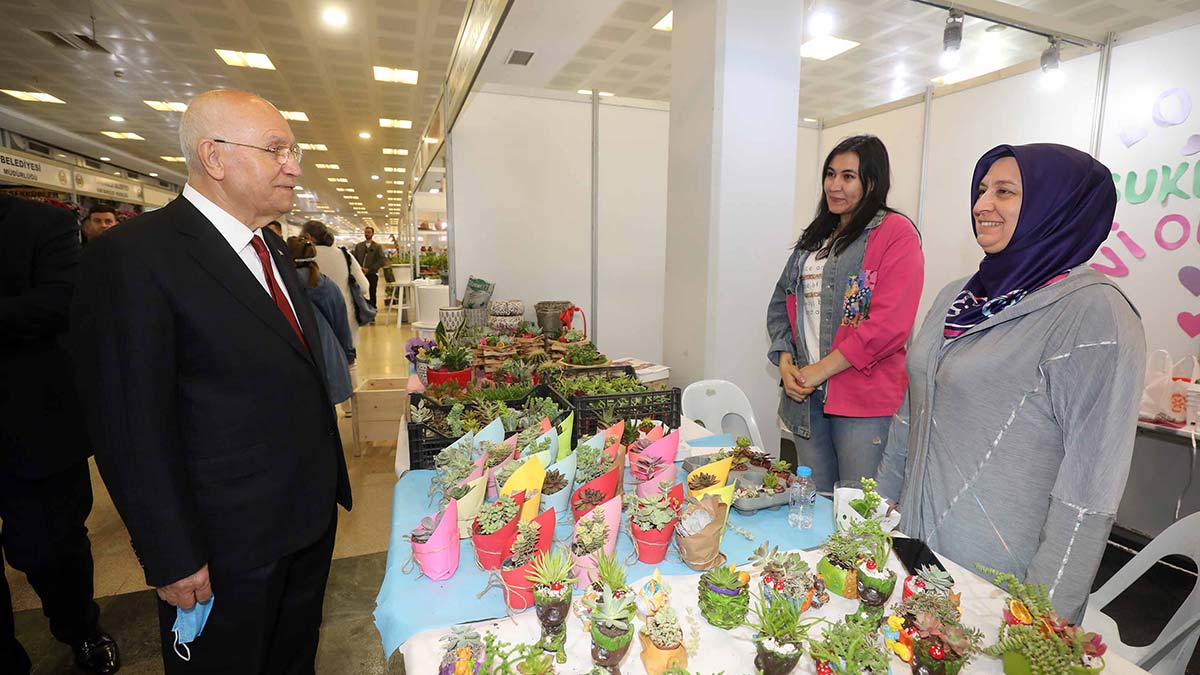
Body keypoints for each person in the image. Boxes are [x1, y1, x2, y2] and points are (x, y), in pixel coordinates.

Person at [71, 89, 352, 673]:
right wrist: (171, 553)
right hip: (224, 544)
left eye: (293, 151)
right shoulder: (135, 257)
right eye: (277, 149)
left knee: (292, 657)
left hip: (304, 518)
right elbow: (128, 423)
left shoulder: (270, 246)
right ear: (214, 157)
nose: (294, 166)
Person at [875, 143, 1145, 621]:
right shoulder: (955, 296)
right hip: (912, 545)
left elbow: (1088, 490)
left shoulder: (1094, 316)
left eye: (1005, 191)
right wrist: (877, 514)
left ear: (1058, 205)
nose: (982, 205)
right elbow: (909, 414)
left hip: (999, 583)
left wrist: (1042, 620)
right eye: (981, 190)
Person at [0, 196, 120, 674]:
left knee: (48, 547)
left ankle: (80, 628)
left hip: (32, 424)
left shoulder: (40, 224)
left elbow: (57, 302)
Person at [766, 135, 924, 493]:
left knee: (859, 511)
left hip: (862, 401)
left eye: (849, 176)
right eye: (830, 174)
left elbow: (888, 326)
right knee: (816, 503)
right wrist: (787, 364)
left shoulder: (895, 234)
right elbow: (781, 303)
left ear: (873, 181)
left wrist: (817, 372)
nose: (835, 186)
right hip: (806, 399)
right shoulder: (816, 237)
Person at [287, 236, 355, 404]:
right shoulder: (326, 286)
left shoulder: (282, 286)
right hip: (327, 358)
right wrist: (349, 354)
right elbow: (341, 325)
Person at [302, 220, 369, 349]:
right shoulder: (344, 255)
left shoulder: (303, 259)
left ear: (308, 236)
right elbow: (364, 287)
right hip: (345, 319)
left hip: (312, 322)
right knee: (348, 363)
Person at [352, 226, 386, 307]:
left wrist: (370, 269)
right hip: (360, 273)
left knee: (372, 292)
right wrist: (359, 268)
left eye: (368, 232)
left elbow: (381, 260)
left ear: (372, 234)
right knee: (359, 291)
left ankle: (373, 308)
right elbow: (354, 258)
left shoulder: (377, 247)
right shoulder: (359, 246)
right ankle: (362, 309)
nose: (367, 234)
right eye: (366, 232)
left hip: (372, 274)